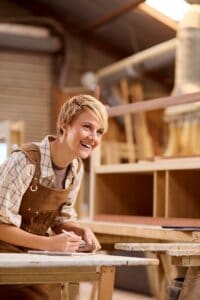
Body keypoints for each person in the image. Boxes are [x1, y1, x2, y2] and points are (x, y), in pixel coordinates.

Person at [0, 94, 108, 300]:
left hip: (32, 253)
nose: (93, 138)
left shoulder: (75, 168)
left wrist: (80, 231)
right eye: (87, 127)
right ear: (63, 126)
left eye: (99, 131)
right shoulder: (25, 161)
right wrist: (48, 244)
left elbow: (60, 220)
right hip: (4, 257)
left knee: (54, 291)